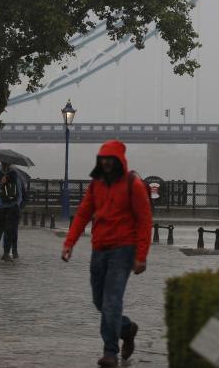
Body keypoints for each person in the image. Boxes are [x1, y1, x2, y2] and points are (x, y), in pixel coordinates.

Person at [62, 140, 152, 367]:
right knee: (99, 301)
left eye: (110, 159)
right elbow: (83, 214)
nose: (106, 163)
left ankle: (110, 351)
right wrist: (69, 242)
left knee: (112, 300)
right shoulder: (96, 184)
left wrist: (141, 255)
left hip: (123, 249)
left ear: (119, 161)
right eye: (103, 158)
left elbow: (144, 221)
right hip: (99, 248)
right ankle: (126, 328)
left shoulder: (134, 185)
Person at [0, 160, 24, 262]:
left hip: (11, 206)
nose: (6, 165)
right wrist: (1, 183)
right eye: (4, 163)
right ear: (1, 163)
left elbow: (19, 191)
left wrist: (17, 204)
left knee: (9, 231)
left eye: (7, 163)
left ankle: (6, 253)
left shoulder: (14, 175)